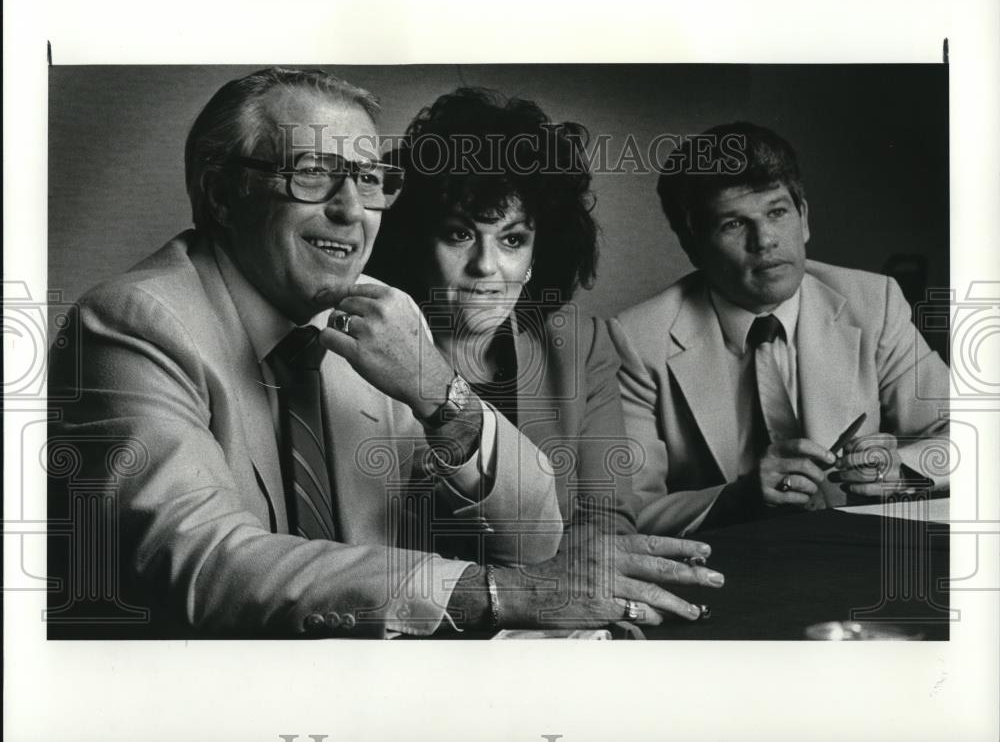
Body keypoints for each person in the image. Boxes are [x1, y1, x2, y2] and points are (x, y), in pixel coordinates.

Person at [47, 68, 722, 639]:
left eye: (370, 180)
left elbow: (538, 539)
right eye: (314, 175)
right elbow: (198, 563)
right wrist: (491, 593)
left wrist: (441, 394)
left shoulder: (368, 311)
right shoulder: (133, 321)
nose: (352, 210)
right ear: (223, 193)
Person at [610, 122, 951, 536]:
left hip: (852, 553)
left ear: (803, 218)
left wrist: (902, 467)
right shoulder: (636, 339)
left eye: (777, 212)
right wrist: (740, 497)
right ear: (691, 244)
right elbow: (625, 514)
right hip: (726, 567)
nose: (765, 240)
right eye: (733, 224)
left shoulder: (873, 302)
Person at [367, 87, 640, 541]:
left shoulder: (581, 347)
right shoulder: (370, 347)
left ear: (538, 253)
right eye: (459, 234)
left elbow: (608, 518)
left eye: (512, 239)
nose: (486, 266)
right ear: (416, 242)